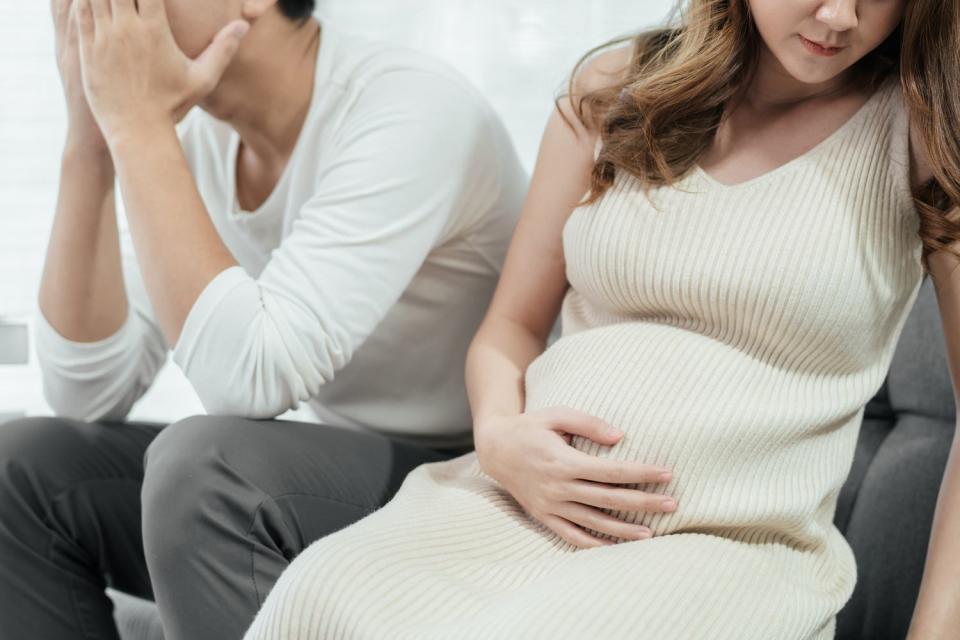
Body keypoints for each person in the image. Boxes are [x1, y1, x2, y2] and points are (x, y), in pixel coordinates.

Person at [241, 0, 960, 638]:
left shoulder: (924, 137)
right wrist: (498, 440)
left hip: (729, 553)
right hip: (514, 507)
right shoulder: (613, 92)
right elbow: (511, 329)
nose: (840, 15)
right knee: (320, 595)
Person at [0, 0, 528, 638]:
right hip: (354, 473)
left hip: (478, 488)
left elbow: (253, 377)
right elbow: (88, 392)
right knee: (23, 466)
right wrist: (91, 140)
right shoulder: (195, 144)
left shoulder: (408, 107)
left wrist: (137, 126)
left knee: (204, 468)